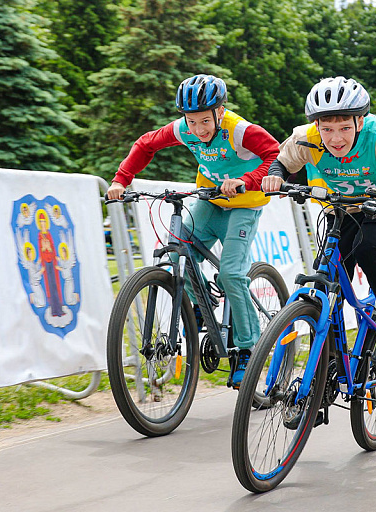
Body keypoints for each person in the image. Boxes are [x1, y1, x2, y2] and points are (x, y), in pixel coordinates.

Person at [106, 74, 280, 387]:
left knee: (230, 275)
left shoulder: (239, 130)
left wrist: (247, 181)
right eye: (191, 121)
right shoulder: (183, 130)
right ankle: (201, 306)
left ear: (220, 111)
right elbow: (146, 145)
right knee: (177, 255)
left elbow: (274, 154)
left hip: (244, 205)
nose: (198, 130)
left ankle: (246, 349)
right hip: (210, 201)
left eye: (204, 121)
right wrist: (122, 179)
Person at [262, 76, 376, 367]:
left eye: (345, 128)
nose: (335, 139)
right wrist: (277, 177)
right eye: (327, 129)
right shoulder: (305, 137)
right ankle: (329, 357)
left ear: (360, 122)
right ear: (317, 126)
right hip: (340, 206)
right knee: (327, 277)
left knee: (368, 248)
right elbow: (281, 163)